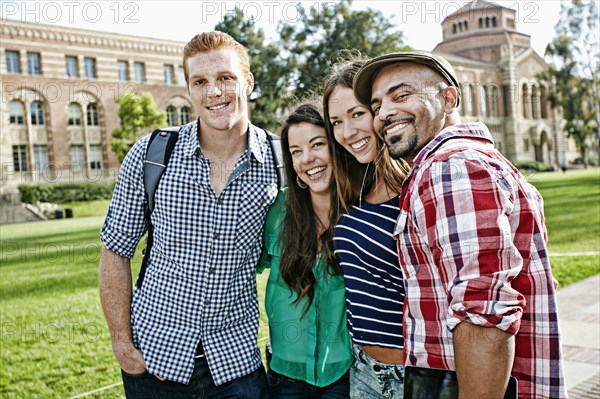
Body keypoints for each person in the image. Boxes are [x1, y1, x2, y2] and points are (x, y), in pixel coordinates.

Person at [353, 51, 567, 398]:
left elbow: (482, 315)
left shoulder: (451, 168)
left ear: (449, 98)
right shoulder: (459, 162)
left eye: (401, 95)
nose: (385, 113)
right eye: (377, 107)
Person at [99, 31, 277, 398]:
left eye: (225, 78)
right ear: (189, 89)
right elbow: (115, 249)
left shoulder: (281, 162)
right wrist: (122, 344)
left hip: (237, 367)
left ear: (248, 81)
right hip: (153, 364)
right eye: (200, 82)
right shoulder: (152, 155)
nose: (214, 92)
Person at [323, 59, 408, 399]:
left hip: (416, 375)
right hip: (363, 372)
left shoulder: (417, 188)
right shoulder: (355, 190)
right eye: (336, 122)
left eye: (357, 115)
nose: (346, 132)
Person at [258, 101, 352, 398]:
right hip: (286, 374)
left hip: (345, 372)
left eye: (317, 145)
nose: (307, 159)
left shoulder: (361, 213)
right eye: (296, 152)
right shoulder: (278, 211)